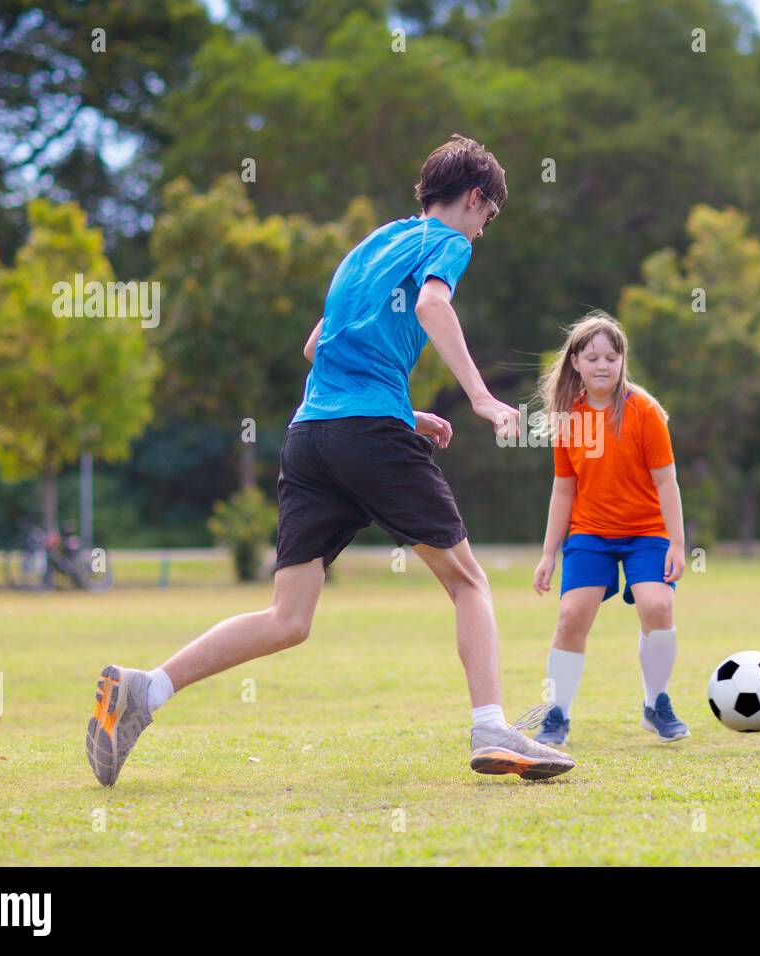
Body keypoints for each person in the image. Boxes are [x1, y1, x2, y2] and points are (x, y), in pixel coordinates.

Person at [86, 135, 575, 786]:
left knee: (288, 619)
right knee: (468, 582)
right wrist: (481, 399)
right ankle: (490, 726)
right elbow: (432, 305)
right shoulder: (445, 241)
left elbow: (318, 346)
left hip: (310, 437)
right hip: (366, 431)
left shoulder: (367, 250)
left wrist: (403, 411)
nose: (480, 236)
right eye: (487, 220)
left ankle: (143, 693)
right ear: (475, 199)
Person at [530, 312, 689, 746]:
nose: (603, 365)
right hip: (590, 534)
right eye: (593, 356)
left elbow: (666, 481)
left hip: (647, 533)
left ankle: (656, 704)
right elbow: (563, 489)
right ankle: (557, 713)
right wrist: (548, 554)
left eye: (612, 357)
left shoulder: (645, 411)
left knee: (657, 607)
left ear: (622, 361)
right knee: (571, 616)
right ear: (576, 362)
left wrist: (677, 542)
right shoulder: (569, 418)